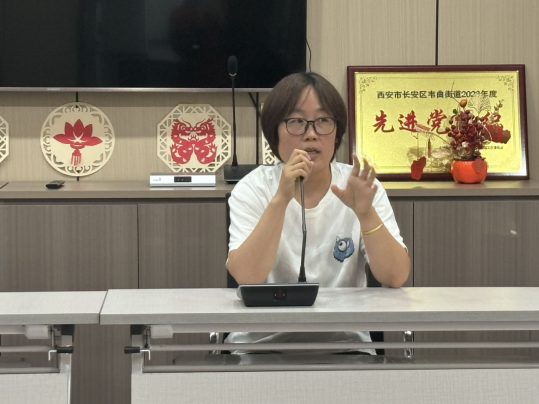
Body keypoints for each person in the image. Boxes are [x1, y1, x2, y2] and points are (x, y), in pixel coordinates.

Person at [225, 72, 410, 354]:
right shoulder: (253, 188)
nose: (311, 133)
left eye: (323, 121)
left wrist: (366, 214)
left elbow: (395, 277)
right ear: (275, 132)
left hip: (344, 348)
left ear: (337, 132)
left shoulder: (358, 185)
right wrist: (281, 198)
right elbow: (247, 277)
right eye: (297, 121)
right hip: (258, 349)